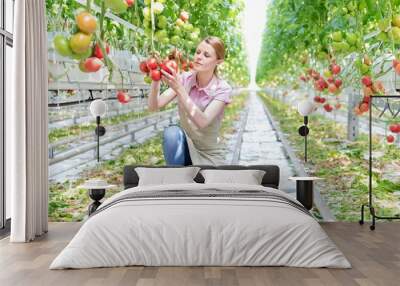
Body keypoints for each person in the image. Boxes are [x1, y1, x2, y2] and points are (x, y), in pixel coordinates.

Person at [148, 36, 233, 166]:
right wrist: (155, 78)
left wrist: (179, 89)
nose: (199, 57)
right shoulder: (185, 79)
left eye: (206, 55)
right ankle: (178, 178)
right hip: (185, 147)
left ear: (218, 61)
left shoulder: (223, 88)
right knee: (171, 133)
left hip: (209, 154)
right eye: (198, 52)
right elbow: (154, 106)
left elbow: (202, 121)